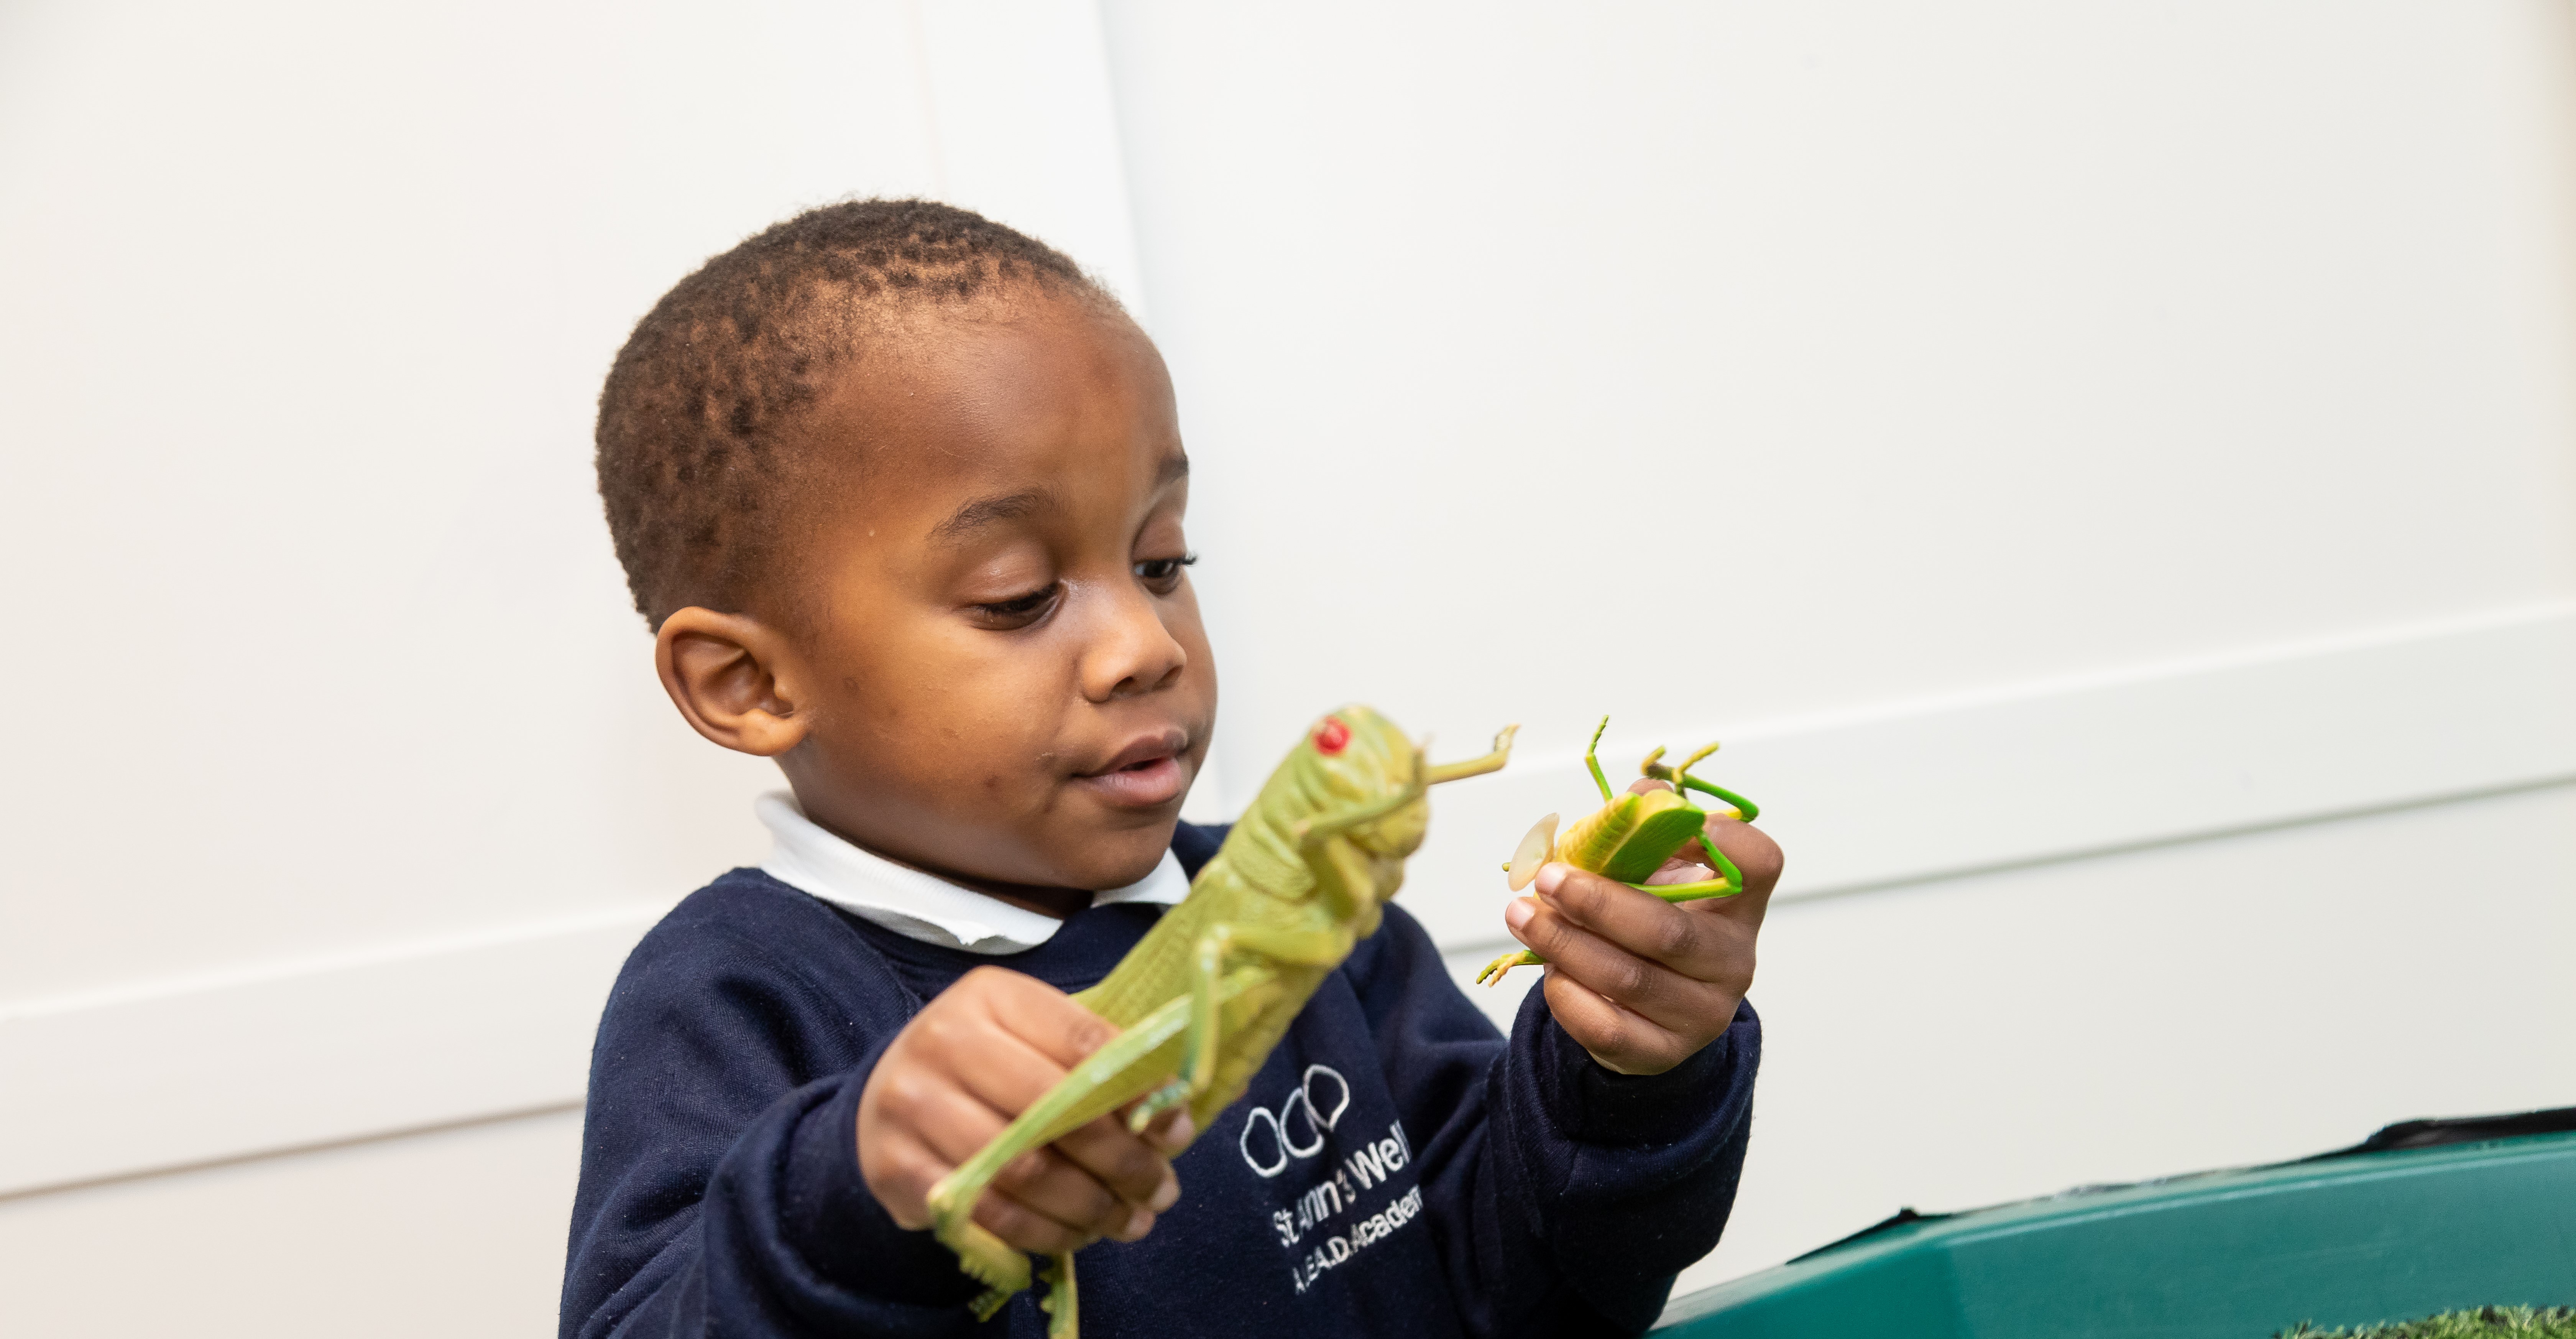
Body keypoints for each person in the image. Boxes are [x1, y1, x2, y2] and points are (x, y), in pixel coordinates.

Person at [562, 199, 1781, 1338]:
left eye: (1161, 560)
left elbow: (1532, 1288)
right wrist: (855, 1185)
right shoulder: (729, 1001)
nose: (1147, 645)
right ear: (750, 685)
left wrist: (1630, 1070)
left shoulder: (1316, 928)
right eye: (1020, 597)